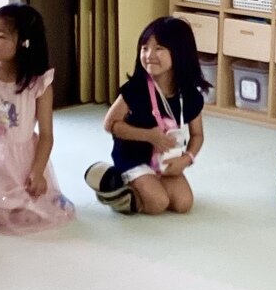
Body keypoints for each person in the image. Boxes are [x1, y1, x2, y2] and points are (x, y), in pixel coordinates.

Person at [0, 2, 74, 233]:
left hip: (24, 161)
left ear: (24, 42)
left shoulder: (38, 84)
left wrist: (37, 171)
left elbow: (46, 135)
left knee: (30, 211)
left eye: (2, 36)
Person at [84, 16, 207, 215]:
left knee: (183, 203)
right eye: (144, 48)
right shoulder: (136, 89)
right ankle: (113, 182)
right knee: (158, 203)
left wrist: (186, 159)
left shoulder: (188, 95)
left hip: (165, 159)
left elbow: (198, 135)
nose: (149, 54)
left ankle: (145, 187)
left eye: (159, 48)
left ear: (180, 52)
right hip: (133, 158)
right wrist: (149, 136)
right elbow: (110, 124)